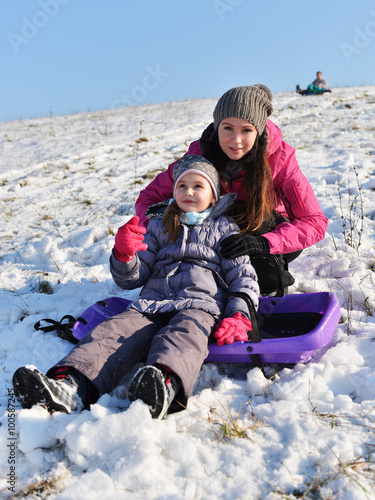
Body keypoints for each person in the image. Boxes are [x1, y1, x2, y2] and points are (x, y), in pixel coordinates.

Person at [13, 155, 259, 420]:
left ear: (214, 196)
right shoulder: (159, 226)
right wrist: (124, 255)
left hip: (198, 306)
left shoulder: (226, 230)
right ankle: (69, 386)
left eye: (198, 186)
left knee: (183, 337)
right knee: (112, 332)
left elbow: (243, 277)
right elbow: (131, 279)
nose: (188, 191)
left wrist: (239, 314)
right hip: (151, 304)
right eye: (182, 185)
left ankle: (161, 386)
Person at [135, 85, 328, 295]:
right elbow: (149, 198)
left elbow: (314, 222)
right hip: (212, 231)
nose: (236, 140)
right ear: (217, 126)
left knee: (262, 275)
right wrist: (159, 232)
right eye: (228, 128)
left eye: (246, 130)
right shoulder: (200, 155)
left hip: (263, 230)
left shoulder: (280, 160)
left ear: (259, 130)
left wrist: (264, 243)